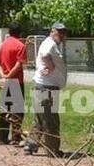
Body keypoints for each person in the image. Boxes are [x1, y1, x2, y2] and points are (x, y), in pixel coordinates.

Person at [24, 23, 67, 157]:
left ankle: (29, 145)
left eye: (63, 32)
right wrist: (51, 67)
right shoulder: (50, 44)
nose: (61, 35)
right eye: (58, 32)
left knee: (41, 117)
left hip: (43, 86)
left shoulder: (48, 43)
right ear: (52, 31)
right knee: (51, 119)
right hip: (46, 87)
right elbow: (45, 54)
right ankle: (53, 150)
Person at [0, 24, 27, 145]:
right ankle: (16, 136)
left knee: (4, 109)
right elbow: (19, 65)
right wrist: (9, 76)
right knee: (17, 111)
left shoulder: (2, 45)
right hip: (16, 81)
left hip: (5, 81)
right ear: (19, 33)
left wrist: (3, 75)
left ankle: (2, 138)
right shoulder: (20, 46)